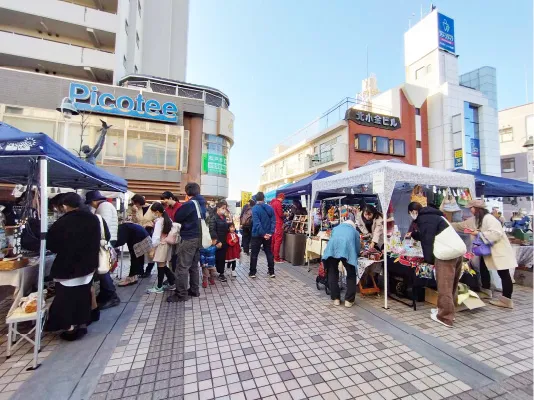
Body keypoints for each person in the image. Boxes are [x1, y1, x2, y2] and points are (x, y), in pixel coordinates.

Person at [46, 193, 110, 341]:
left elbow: (52, 245)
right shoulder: (93, 218)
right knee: (83, 294)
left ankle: (70, 328)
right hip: (88, 264)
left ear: (65, 206)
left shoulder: (62, 222)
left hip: (68, 266)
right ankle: (83, 322)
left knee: (65, 298)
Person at [451, 200, 517, 309]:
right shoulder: (476, 219)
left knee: (504, 274)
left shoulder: (489, 218)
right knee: (483, 267)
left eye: (471, 208)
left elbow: (496, 233)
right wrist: (445, 223)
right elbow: (460, 226)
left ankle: (507, 300)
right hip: (488, 251)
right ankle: (486, 291)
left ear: (476, 208)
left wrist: (478, 233)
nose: (470, 210)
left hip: (499, 251)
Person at [406, 202, 463, 327]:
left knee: (444, 286)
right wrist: (415, 235)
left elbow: (428, 240)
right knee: (452, 285)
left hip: (446, 253)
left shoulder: (424, 219)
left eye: (411, 213)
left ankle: (445, 317)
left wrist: (429, 260)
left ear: (413, 212)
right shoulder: (435, 216)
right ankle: (446, 311)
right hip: (458, 250)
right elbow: (430, 234)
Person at [167, 183, 206, 303]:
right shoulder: (202, 203)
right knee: (193, 266)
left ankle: (181, 294)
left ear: (187, 192)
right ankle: (194, 290)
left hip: (189, 237)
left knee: (182, 266)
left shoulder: (190, 204)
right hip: (199, 238)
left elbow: (177, 217)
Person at [85, 190, 120, 310]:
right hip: (108, 240)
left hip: (104, 241)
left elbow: (101, 225)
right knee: (104, 268)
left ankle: (111, 295)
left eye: (90, 203)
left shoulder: (103, 207)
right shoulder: (106, 206)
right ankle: (106, 293)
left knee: (103, 268)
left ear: (94, 201)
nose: (91, 205)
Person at [322, 220, 361, 308]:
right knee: (351, 274)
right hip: (347, 251)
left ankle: (336, 299)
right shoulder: (354, 231)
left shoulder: (335, 228)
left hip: (332, 250)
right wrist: (358, 253)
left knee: (332, 272)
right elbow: (357, 246)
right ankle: (349, 300)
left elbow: (331, 239)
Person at [146, 202, 176, 294]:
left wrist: (152, 248)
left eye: (154, 212)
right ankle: (172, 282)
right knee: (162, 265)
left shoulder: (159, 221)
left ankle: (159, 287)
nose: (153, 214)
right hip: (167, 244)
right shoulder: (168, 219)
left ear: (158, 212)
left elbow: (156, 237)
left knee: (160, 266)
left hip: (160, 245)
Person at [249, 192, 276, 278]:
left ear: (256, 199)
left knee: (254, 254)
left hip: (257, 234)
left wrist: (263, 234)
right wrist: (270, 233)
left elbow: (257, 223)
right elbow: (273, 221)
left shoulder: (255, 209)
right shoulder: (270, 208)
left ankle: (252, 272)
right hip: (268, 234)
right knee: (269, 253)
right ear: (263, 198)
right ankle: (271, 272)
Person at [116, 222, 151, 287]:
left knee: (135, 258)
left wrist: (113, 245)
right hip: (141, 237)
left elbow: (121, 241)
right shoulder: (122, 227)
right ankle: (134, 277)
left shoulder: (120, 229)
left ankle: (131, 278)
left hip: (140, 239)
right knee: (135, 258)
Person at [130, 194, 156, 278]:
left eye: (135, 203)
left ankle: (148, 270)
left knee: (150, 252)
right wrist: (134, 212)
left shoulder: (152, 207)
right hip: (139, 232)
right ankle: (140, 270)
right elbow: (134, 221)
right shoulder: (138, 209)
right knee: (140, 252)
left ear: (139, 201)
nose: (135, 205)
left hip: (149, 231)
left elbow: (157, 219)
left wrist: (150, 224)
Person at [161, 191, 181, 273]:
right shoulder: (166, 209)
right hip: (169, 236)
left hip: (179, 235)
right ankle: (172, 275)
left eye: (165, 200)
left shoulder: (180, 207)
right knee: (170, 256)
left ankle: (178, 274)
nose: (164, 202)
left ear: (170, 198)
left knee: (178, 255)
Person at [209, 200, 230, 282]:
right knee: (216, 258)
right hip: (217, 242)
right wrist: (217, 241)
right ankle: (211, 274)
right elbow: (212, 230)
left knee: (222, 258)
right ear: (218, 208)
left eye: (225, 208)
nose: (224, 210)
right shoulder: (213, 218)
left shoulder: (224, 217)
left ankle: (221, 273)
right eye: (223, 208)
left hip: (224, 241)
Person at [270, 193, 285, 263]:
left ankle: (272, 256)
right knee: (278, 241)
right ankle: (276, 258)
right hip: (278, 224)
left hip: (273, 223)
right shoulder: (278, 203)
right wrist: (284, 214)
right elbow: (280, 214)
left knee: (273, 240)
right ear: (282, 198)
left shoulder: (272, 203)